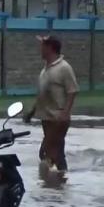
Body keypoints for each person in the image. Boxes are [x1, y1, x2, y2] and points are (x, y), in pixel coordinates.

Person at [24, 35, 79, 176]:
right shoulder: (45, 70)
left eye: (42, 46)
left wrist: (65, 113)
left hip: (58, 119)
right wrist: (32, 111)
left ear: (50, 48)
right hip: (46, 118)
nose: (40, 49)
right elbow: (42, 95)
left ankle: (50, 187)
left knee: (46, 152)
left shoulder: (64, 68)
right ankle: (60, 182)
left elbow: (72, 91)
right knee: (56, 153)